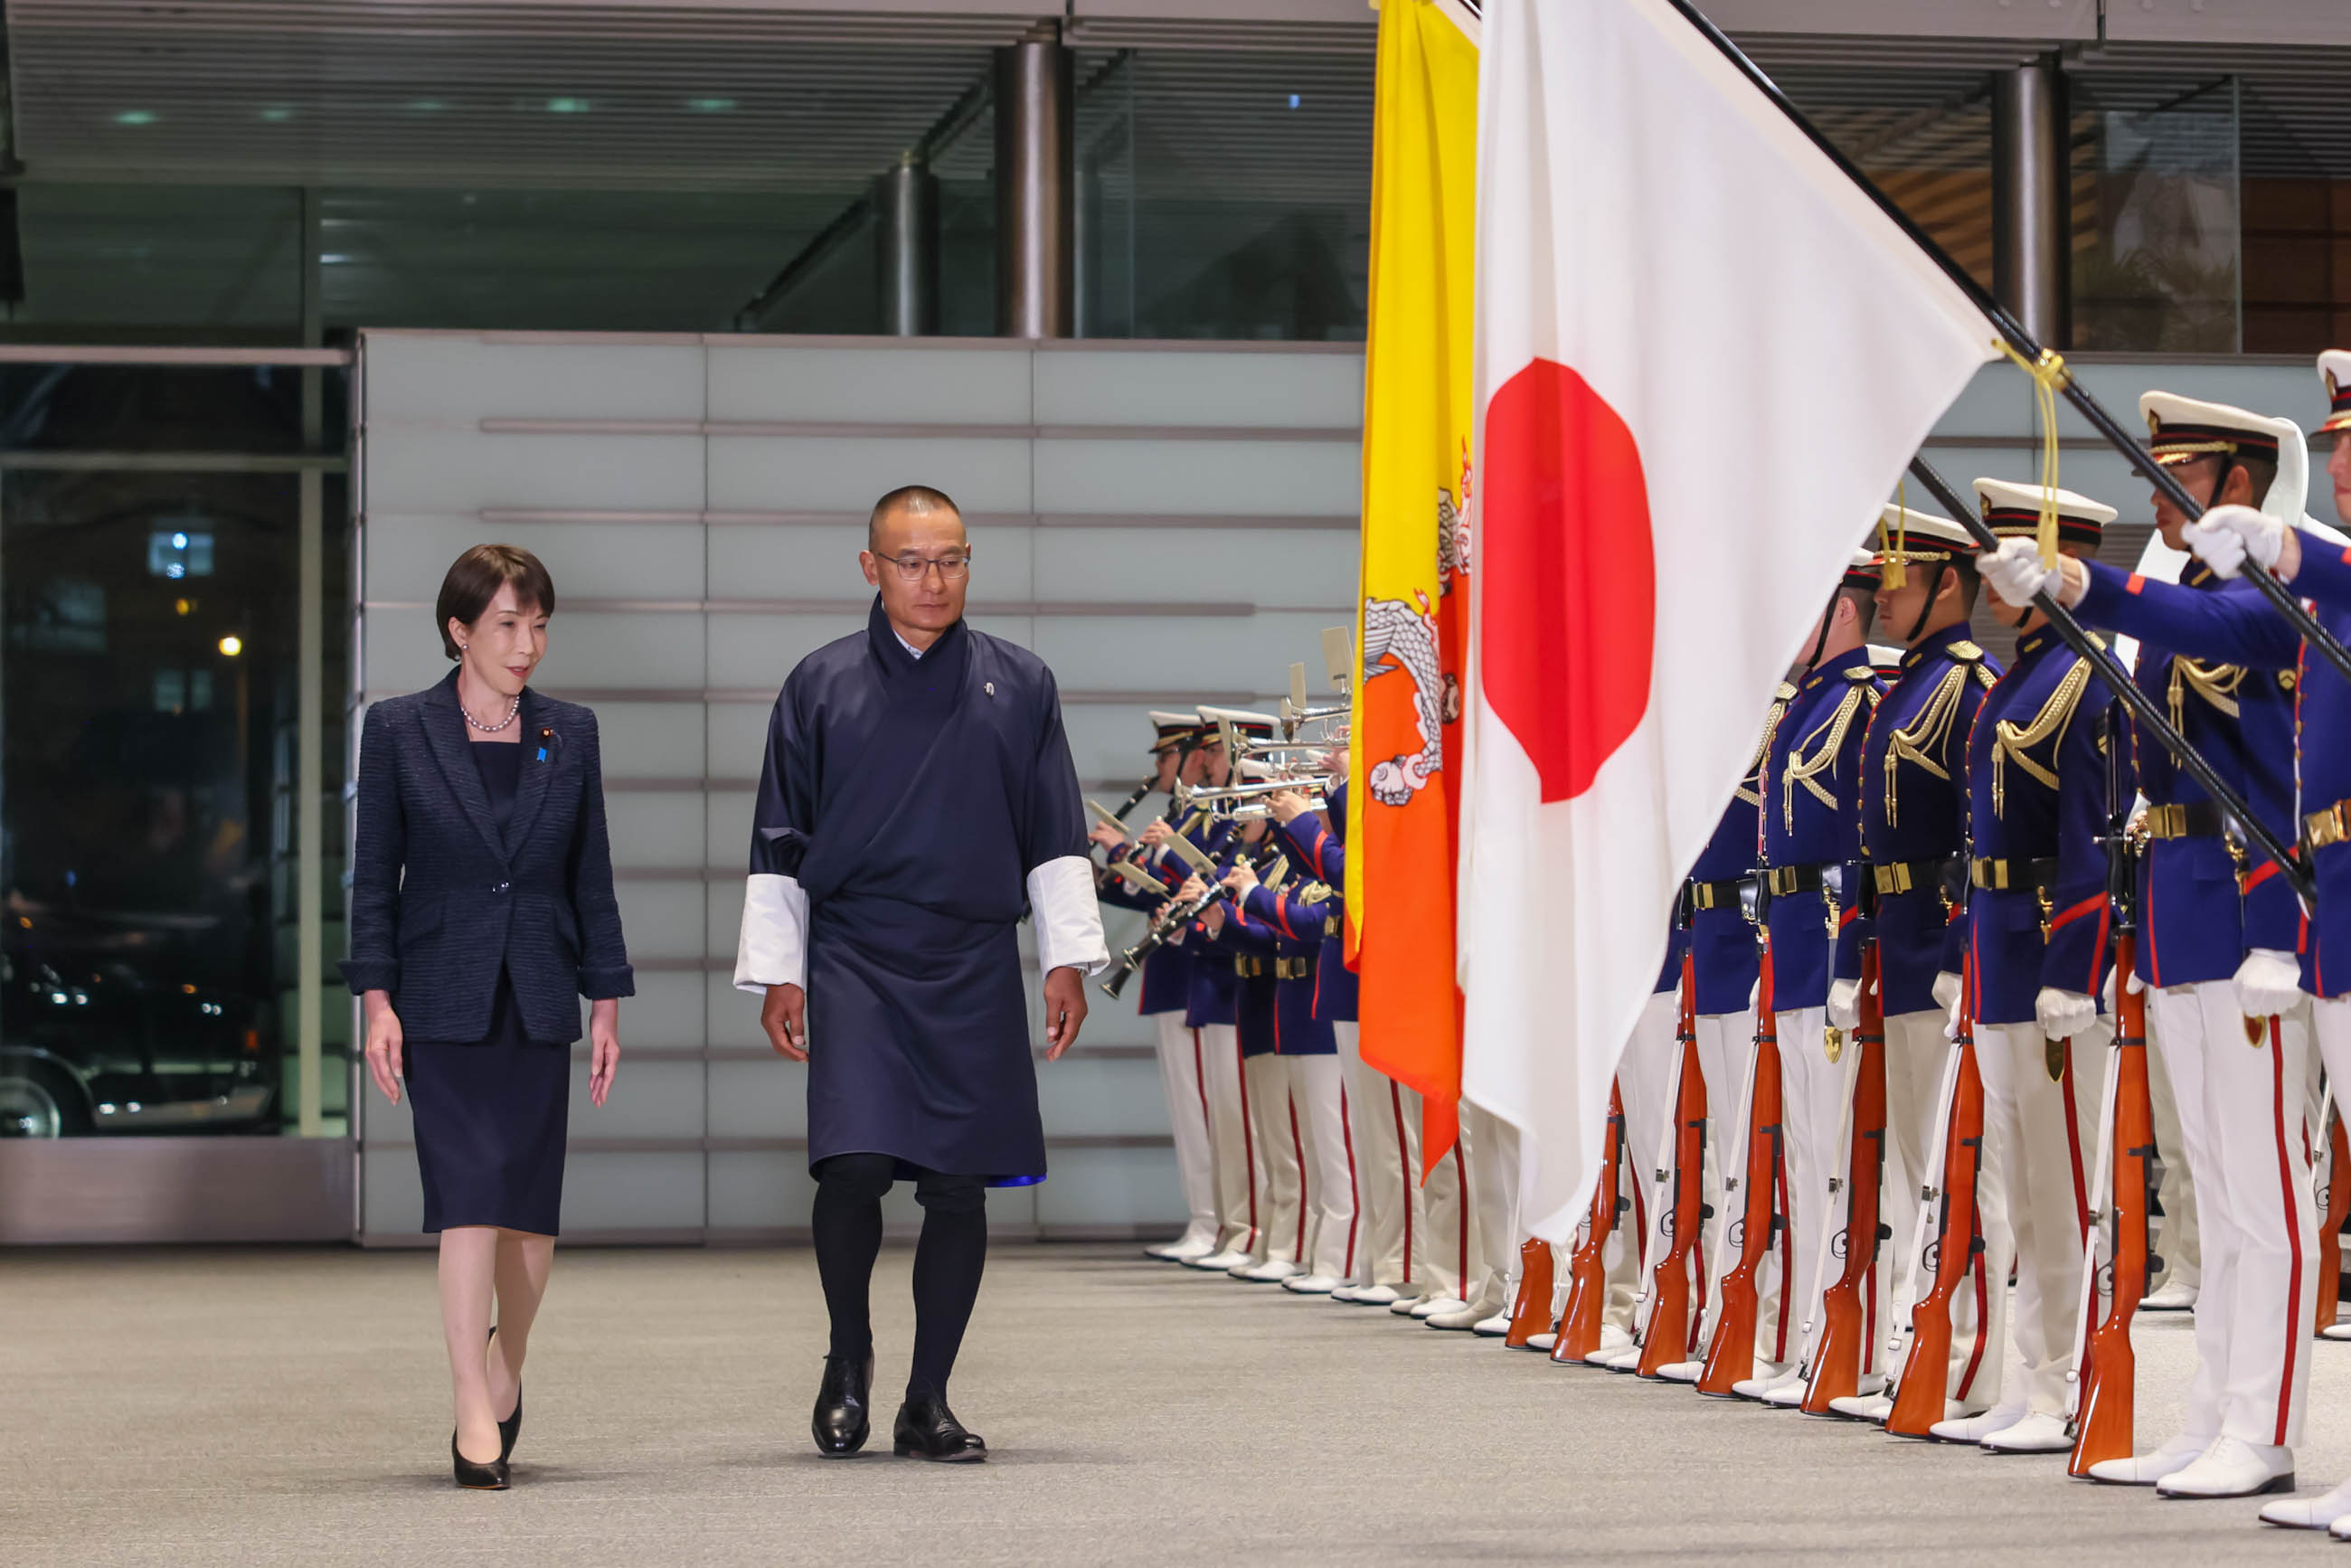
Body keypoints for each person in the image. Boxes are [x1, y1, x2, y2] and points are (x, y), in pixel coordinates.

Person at [1982, 390, 2313, 1498]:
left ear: (2238, 483)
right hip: (2176, 914)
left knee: (2262, 1187)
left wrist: (2080, 582)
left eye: (2183, 476)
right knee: (2212, 1188)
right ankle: (2213, 1410)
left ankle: (2262, 1425)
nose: (2163, 498)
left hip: (2240, 913)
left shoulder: (2270, 600)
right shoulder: (2183, 601)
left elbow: (2276, 781)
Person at [733, 484, 1107, 1463]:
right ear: (870, 568)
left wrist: (1064, 958)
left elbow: (1053, 826)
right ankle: (847, 1355)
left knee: (955, 1183)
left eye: (950, 559)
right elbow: (778, 834)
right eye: (910, 560)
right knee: (852, 1163)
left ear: (969, 562)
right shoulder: (817, 684)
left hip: (974, 952)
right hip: (854, 950)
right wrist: (780, 972)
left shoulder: (1022, 682)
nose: (932, 579)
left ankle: (926, 1398)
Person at [345, 543, 631, 1491]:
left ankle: (506, 1366)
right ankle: (472, 1399)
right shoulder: (396, 729)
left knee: (530, 1220)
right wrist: (376, 1002)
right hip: (438, 994)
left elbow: (590, 876)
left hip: (540, 991)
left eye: (539, 623)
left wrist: (607, 1002)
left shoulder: (571, 733)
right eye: (507, 624)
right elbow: (373, 880)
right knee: (467, 1204)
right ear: (459, 631)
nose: (528, 644)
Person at [1923, 477, 2118, 1456]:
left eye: (2011, 556)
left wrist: (2072, 965)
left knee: (2060, 1181)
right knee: (2017, 1181)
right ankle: (2025, 1375)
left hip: (2047, 950)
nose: (1992, 576)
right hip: (1997, 945)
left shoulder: (2082, 677)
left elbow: (2090, 837)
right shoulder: (2016, 675)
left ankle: (2064, 1386)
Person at [1827, 505, 2006, 1422]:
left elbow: (1983, 825)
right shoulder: (1905, 687)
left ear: (1949, 584)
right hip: (1894, 945)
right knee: (1910, 1165)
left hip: (1935, 944)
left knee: (1958, 1164)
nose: (1883, 595)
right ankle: (1912, 1342)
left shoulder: (1968, 688)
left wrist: (1952, 947)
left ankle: (1967, 1359)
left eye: (1900, 579)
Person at [1742, 550, 1884, 1403]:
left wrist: (1845, 962)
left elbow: (1864, 842)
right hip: (1788, 948)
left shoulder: (1862, 702)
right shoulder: (1802, 705)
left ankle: (1848, 1344)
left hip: (1830, 953)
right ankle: (1801, 1343)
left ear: (1843, 609)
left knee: (1838, 1156)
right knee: (1802, 1157)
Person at [1091, 713, 1217, 1263]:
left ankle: (1218, 1223)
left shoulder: (1206, 816)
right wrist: (1103, 872)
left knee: (1208, 1113)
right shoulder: (1178, 814)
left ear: (1191, 756)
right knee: (1190, 1111)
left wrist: (1126, 854)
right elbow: (1154, 894)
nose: (1160, 768)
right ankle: (1206, 1219)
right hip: (1173, 975)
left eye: (1168, 756)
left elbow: (1200, 885)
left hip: (1202, 977)